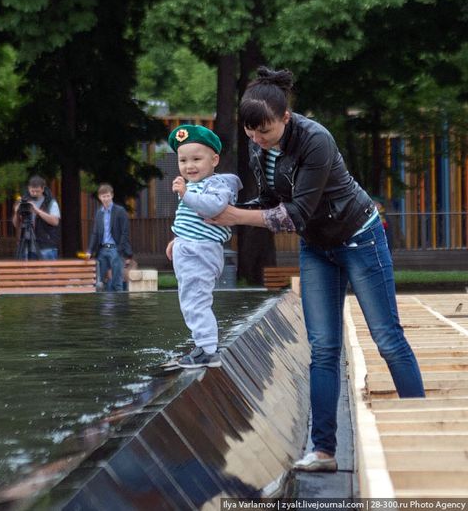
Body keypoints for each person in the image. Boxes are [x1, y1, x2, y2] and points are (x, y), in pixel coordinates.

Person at [206, 67, 425, 472]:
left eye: (265, 132)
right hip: (317, 246)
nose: (257, 139)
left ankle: (422, 429)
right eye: (251, 132)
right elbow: (270, 201)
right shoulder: (259, 146)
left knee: (387, 337)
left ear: (285, 117)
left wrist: (234, 216)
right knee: (323, 348)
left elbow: (294, 213)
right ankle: (323, 451)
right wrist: (215, 212)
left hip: (359, 237)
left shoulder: (315, 140)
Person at [165, 124, 242, 369]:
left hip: (201, 251)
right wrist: (177, 240)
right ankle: (203, 344)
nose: (189, 166)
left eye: (197, 159)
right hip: (189, 248)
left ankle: (208, 350)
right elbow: (192, 220)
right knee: (189, 298)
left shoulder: (218, 184)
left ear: (215, 159)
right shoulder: (193, 186)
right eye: (183, 160)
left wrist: (186, 194)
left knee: (196, 298)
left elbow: (213, 208)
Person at [86, 183, 133, 291]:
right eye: (103, 196)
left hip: (115, 249)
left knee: (117, 282)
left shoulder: (120, 211)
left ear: (112, 195)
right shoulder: (99, 213)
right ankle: (104, 307)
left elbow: (125, 233)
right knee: (100, 282)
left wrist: (120, 250)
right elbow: (95, 233)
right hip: (102, 250)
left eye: (107, 196)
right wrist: (90, 250)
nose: (106, 198)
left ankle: (118, 307)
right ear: (99, 197)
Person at [12, 175, 61, 260]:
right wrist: (16, 212)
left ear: (42, 189)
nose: (34, 193)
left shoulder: (50, 202)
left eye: (37, 191)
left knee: (47, 272)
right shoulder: (24, 202)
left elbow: (55, 221)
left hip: (46, 245)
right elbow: (16, 224)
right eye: (32, 191)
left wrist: (37, 211)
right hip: (27, 244)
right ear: (28, 188)